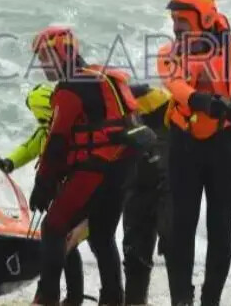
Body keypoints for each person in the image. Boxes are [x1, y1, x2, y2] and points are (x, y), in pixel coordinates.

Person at [28, 25, 157, 306]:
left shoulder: (69, 88)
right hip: (125, 168)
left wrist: (43, 183)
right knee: (101, 236)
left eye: (45, 58)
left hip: (97, 166)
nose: (42, 65)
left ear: (62, 53)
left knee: (53, 226)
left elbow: (58, 140)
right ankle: (112, 299)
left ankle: (47, 298)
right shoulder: (104, 77)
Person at [156, 0, 231, 306]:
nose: (175, 27)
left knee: (220, 228)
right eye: (173, 20)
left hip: (224, 146)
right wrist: (203, 101)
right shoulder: (168, 53)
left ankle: (211, 299)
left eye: (181, 20)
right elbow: (176, 86)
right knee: (179, 227)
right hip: (183, 145)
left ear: (205, 18)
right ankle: (181, 299)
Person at [0, 83, 87, 306]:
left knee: (65, 244)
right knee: (65, 245)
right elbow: (28, 148)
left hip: (72, 194)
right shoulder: (46, 131)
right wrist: (9, 163)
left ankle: (59, 297)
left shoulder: (63, 133)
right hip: (60, 193)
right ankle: (68, 297)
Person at [121, 83, 173, 306]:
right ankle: (135, 301)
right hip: (140, 187)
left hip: (158, 185)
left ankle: (137, 300)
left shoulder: (160, 110)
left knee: (167, 248)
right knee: (136, 253)